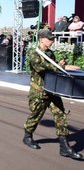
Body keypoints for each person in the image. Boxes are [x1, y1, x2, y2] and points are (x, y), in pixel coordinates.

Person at [22, 29, 82, 160]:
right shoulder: (34, 53)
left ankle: (64, 147)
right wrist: (61, 67)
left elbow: (53, 70)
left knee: (61, 115)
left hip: (52, 90)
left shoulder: (50, 53)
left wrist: (61, 66)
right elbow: (43, 67)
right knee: (35, 116)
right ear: (41, 39)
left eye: (52, 39)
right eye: (49, 39)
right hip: (39, 92)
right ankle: (27, 136)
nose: (52, 41)